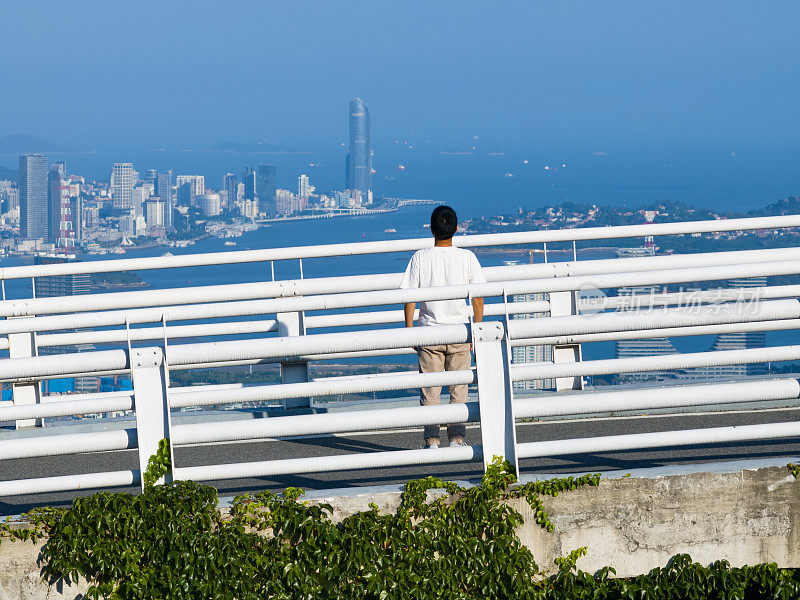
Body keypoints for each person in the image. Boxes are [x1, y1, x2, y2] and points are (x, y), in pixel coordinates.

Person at [400, 205, 485, 449]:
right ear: (456, 229)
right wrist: (476, 331)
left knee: (430, 392)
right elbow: (478, 298)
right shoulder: (467, 257)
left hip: (429, 333)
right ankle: (457, 439)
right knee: (459, 390)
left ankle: (432, 440)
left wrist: (409, 330)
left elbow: (410, 297)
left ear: (431, 229)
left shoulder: (420, 257)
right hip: (460, 331)